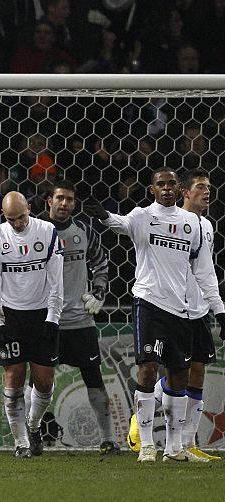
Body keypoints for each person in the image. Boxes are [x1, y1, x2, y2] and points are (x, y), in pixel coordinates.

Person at [87, 167, 225, 462]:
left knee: (179, 376)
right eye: (160, 184)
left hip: (182, 309)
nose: (166, 188)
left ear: (179, 189)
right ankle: (147, 444)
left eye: (171, 184)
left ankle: (174, 448)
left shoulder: (193, 223)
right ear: (152, 189)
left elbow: (204, 271)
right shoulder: (142, 216)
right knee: (148, 368)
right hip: (149, 302)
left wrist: (220, 310)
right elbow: (120, 225)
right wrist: (103, 216)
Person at [128, 169, 224, 461]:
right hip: (169, 307)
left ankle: (184, 445)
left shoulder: (203, 225)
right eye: (200, 187)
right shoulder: (157, 220)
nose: (207, 192)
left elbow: (205, 271)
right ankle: (142, 427)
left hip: (198, 309)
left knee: (194, 373)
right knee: (156, 367)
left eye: (209, 187)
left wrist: (217, 308)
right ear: (185, 192)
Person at [0, 191, 64, 458]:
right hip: (11, 315)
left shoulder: (47, 231)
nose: (17, 223)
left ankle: (34, 424)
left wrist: (53, 317)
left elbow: (56, 279)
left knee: (44, 381)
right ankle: (21, 443)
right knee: (13, 377)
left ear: (30, 208)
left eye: (21, 217)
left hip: (41, 314)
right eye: (11, 219)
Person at [45, 180, 118, 454]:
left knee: (94, 380)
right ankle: (31, 434)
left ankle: (108, 438)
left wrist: (99, 291)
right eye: (60, 198)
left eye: (70, 200)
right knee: (40, 383)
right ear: (49, 202)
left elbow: (101, 262)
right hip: (47, 322)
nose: (65, 204)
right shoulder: (37, 232)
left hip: (80, 322)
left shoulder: (85, 231)